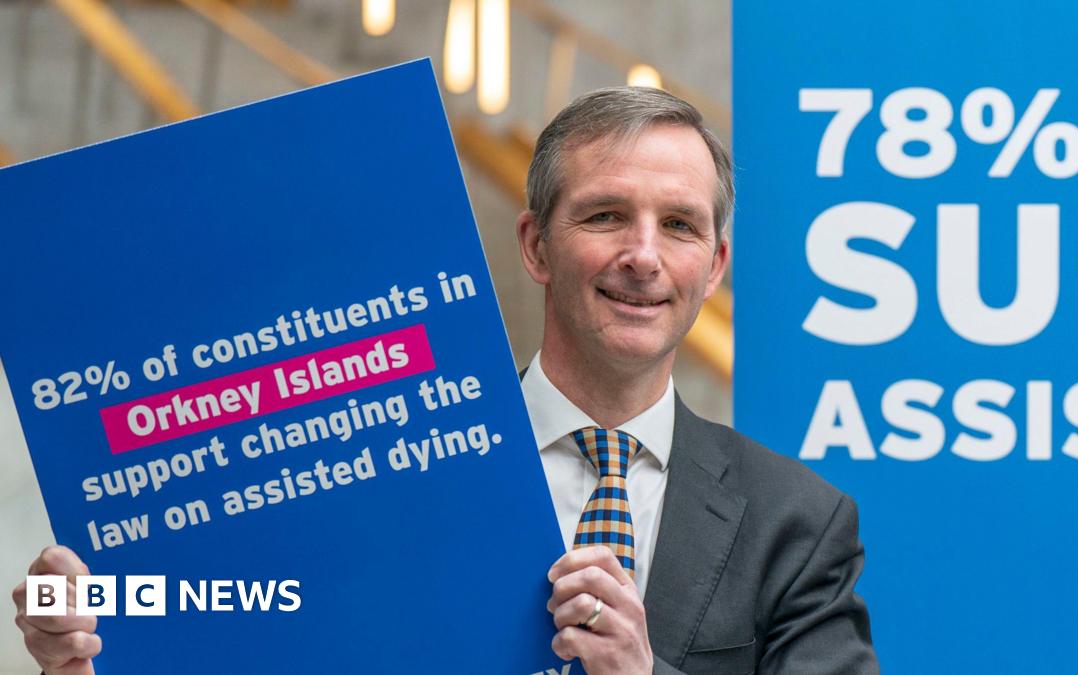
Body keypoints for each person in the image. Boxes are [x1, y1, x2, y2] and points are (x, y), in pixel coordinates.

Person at [11, 87, 878, 674]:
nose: (642, 256)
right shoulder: (368, 457)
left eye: (679, 225)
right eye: (606, 214)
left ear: (715, 264)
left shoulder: (798, 524)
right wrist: (87, 652)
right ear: (536, 244)